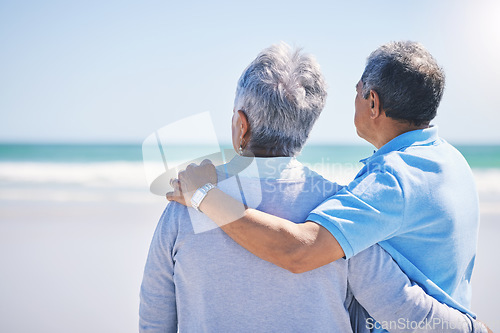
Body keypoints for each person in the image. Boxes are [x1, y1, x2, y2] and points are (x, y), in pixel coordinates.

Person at [142, 43, 488, 332]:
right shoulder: (346, 206)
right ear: (307, 127)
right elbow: (399, 306)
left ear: (240, 126)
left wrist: (203, 195)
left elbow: (155, 317)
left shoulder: (183, 206)